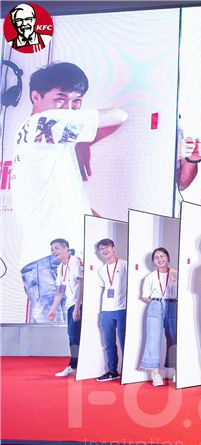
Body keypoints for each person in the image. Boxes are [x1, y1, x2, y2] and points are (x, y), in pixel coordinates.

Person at [12, 62, 127, 323]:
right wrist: (84, 141)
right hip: (52, 262)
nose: (69, 108)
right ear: (36, 97)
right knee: (58, 341)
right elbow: (119, 115)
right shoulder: (44, 122)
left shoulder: (40, 136)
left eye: (77, 102)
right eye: (60, 99)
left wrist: (80, 144)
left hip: (53, 259)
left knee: (68, 340)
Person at [139, 248, 178, 387]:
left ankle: (176, 370)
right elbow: (145, 296)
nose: (160, 259)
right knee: (153, 339)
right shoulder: (150, 277)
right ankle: (155, 373)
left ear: (168, 257)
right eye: (156, 257)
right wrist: (158, 301)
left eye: (162, 256)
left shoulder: (176, 274)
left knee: (174, 338)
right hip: (156, 306)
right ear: (153, 261)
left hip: (172, 305)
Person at [46, 238, 83, 376]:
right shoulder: (60, 267)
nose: (54, 251)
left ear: (66, 248)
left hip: (77, 304)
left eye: (57, 248)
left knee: (74, 335)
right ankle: (75, 366)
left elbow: (81, 284)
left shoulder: (75, 261)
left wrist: (77, 307)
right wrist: (52, 310)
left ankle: (75, 366)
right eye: (52, 249)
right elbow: (60, 290)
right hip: (70, 305)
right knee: (72, 336)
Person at [96, 239, 128, 382]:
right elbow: (104, 288)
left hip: (122, 308)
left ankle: (127, 371)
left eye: (107, 247)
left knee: (124, 340)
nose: (104, 250)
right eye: (101, 248)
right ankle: (112, 371)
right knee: (109, 342)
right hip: (106, 310)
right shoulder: (101, 269)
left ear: (113, 248)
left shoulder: (124, 264)